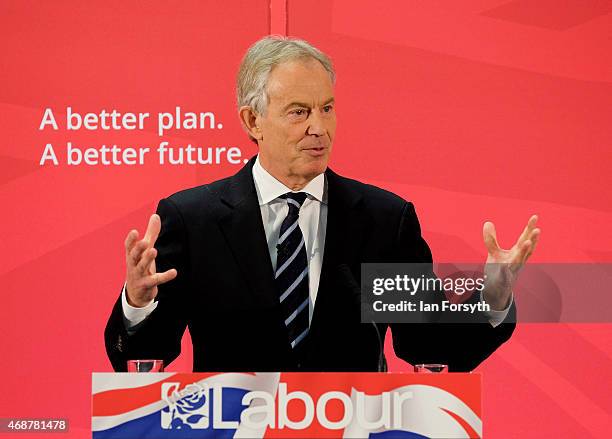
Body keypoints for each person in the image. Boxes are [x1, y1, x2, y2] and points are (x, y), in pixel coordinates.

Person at [105, 36, 540, 372]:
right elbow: (143, 358)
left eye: (327, 108)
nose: (320, 128)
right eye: (299, 112)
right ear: (252, 120)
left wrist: (494, 298)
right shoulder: (192, 219)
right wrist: (138, 302)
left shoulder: (383, 221)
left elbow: (426, 345)